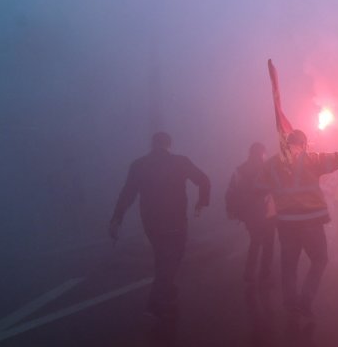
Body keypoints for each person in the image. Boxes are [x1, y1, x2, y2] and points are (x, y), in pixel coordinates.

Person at [261, 60, 338, 318]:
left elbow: (261, 185)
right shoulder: (312, 160)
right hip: (311, 222)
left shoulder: (272, 165)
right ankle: (306, 299)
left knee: (288, 266)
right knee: (319, 261)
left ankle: (291, 304)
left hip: (286, 223)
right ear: (304, 143)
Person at [109, 132, 210, 319]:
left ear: (152, 144)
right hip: (175, 219)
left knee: (162, 256)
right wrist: (201, 202)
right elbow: (204, 180)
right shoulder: (180, 162)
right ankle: (154, 302)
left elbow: (128, 194)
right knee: (174, 257)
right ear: (169, 144)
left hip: (151, 221)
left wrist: (117, 218)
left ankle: (169, 291)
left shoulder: (139, 165)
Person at [226, 142, 276, 310]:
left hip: (248, 214)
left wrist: (233, 211)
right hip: (266, 212)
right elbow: (276, 188)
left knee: (255, 241)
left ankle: (249, 274)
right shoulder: (267, 169)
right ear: (262, 153)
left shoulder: (239, 169)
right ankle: (265, 275)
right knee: (268, 243)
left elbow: (231, 191)